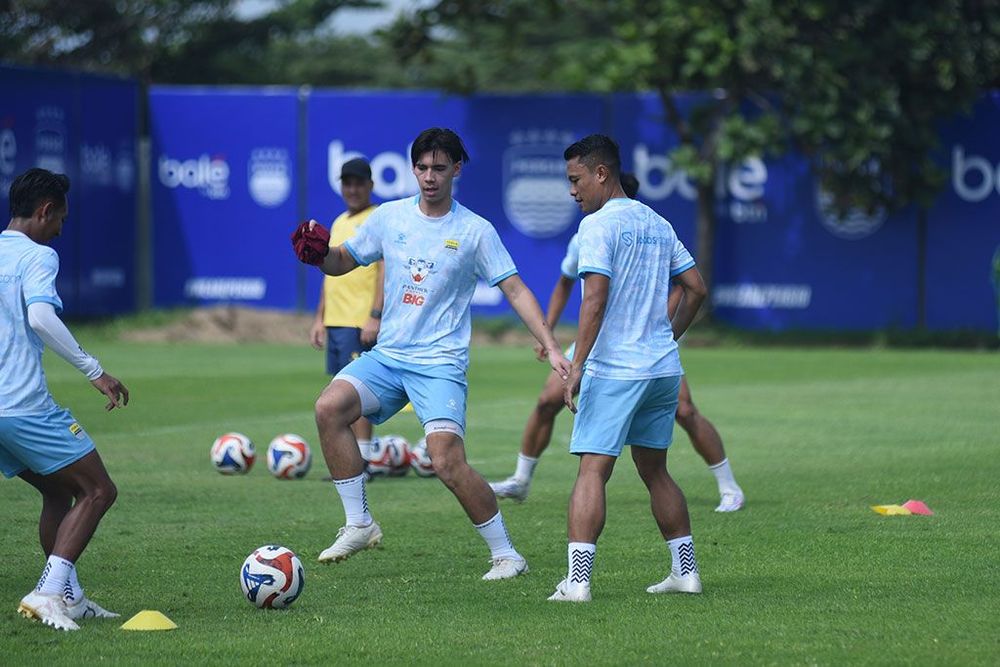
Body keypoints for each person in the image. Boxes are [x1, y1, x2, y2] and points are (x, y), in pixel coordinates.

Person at [292, 128, 571, 580]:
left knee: (445, 461)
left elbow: (515, 289)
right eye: (421, 167)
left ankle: (506, 555)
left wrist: (552, 345)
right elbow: (344, 260)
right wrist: (318, 255)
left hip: (439, 363)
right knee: (329, 408)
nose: (429, 176)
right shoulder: (390, 217)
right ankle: (359, 523)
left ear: (457, 169)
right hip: (389, 356)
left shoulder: (475, 230)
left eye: (439, 168)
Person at [490, 173, 745, 512]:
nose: (574, 191)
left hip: (643, 345)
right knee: (547, 400)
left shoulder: (644, 228)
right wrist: (546, 329)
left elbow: (685, 286)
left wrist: (666, 330)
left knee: (684, 411)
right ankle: (521, 479)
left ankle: (729, 487)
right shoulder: (589, 231)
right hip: (596, 341)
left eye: (578, 182)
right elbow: (567, 281)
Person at [547, 135, 706, 602]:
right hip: (661, 369)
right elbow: (695, 287)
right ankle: (686, 572)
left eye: (576, 180)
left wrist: (576, 366)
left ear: (601, 173)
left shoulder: (597, 226)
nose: (572, 191)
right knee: (655, 470)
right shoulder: (657, 221)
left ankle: (577, 583)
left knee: (592, 471)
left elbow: (594, 299)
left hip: (616, 369)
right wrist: (667, 338)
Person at [1, 168, 130, 630]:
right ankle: (48, 592)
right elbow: (40, 317)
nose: (60, 229)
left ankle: (70, 597)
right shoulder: (39, 255)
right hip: (22, 406)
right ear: (44, 211)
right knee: (99, 490)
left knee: (59, 490)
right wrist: (95, 370)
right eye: (61, 220)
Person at [309, 157, 384, 463]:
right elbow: (330, 274)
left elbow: (385, 270)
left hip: (360, 319)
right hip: (337, 321)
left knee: (359, 392)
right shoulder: (339, 221)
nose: (352, 189)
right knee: (340, 391)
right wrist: (319, 318)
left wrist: (375, 315)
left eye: (358, 183)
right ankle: (352, 459)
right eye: (347, 183)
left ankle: (363, 460)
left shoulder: (378, 217)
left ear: (370, 186)